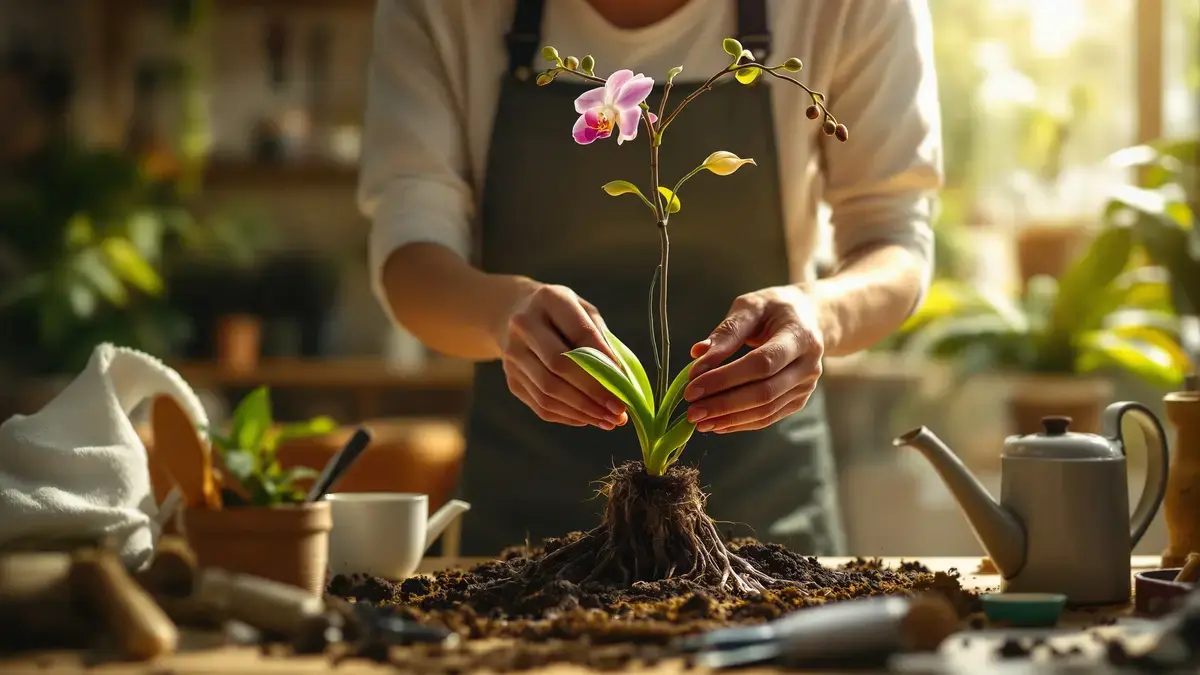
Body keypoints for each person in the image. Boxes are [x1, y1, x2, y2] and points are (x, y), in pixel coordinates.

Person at [362, 0, 942, 557]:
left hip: (761, 522)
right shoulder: (442, 8)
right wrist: (500, 313)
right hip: (523, 524)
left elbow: (893, 234)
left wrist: (822, 313)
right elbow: (410, 249)